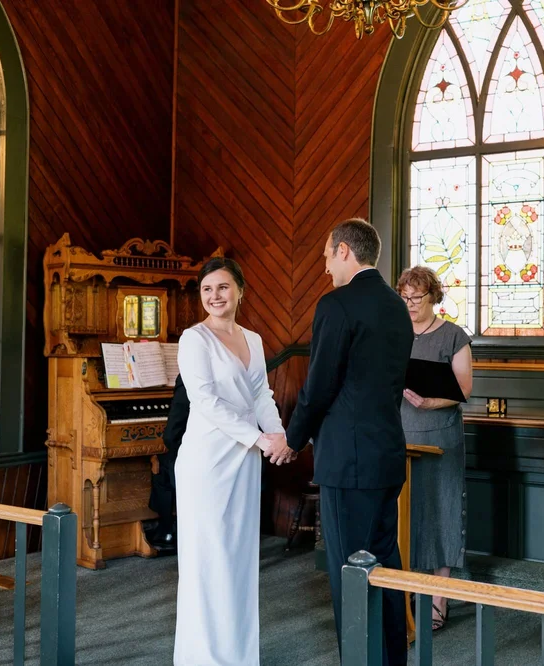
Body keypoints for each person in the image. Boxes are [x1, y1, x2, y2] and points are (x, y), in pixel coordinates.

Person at [264, 219, 413, 666]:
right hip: (386, 454)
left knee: (350, 572)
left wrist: (292, 439)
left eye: (328, 256)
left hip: (349, 464)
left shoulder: (337, 305)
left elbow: (320, 385)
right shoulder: (396, 306)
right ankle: (391, 659)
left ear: (345, 250)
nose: (326, 267)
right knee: (385, 566)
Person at [173, 257, 295, 665]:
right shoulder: (194, 339)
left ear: (240, 290)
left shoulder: (254, 339)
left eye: (222, 287)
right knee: (209, 559)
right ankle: (203, 657)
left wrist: (278, 436)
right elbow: (204, 402)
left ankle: (239, 655)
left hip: (245, 459)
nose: (214, 296)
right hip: (206, 461)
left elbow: (261, 395)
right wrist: (260, 439)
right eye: (207, 290)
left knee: (239, 558)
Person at [396, 266, 472, 632]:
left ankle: (439, 601)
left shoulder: (453, 335)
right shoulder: (394, 334)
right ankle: (409, 591)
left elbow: (464, 389)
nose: (410, 304)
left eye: (417, 297)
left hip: (440, 435)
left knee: (441, 512)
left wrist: (430, 402)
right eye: (405, 297)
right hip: (400, 433)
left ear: (434, 297)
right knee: (406, 515)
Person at [144, 374, 190, 550]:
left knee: (161, 464)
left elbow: (172, 431)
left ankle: (166, 530)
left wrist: (171, 445)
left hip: (195, 449)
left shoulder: (188, 374)